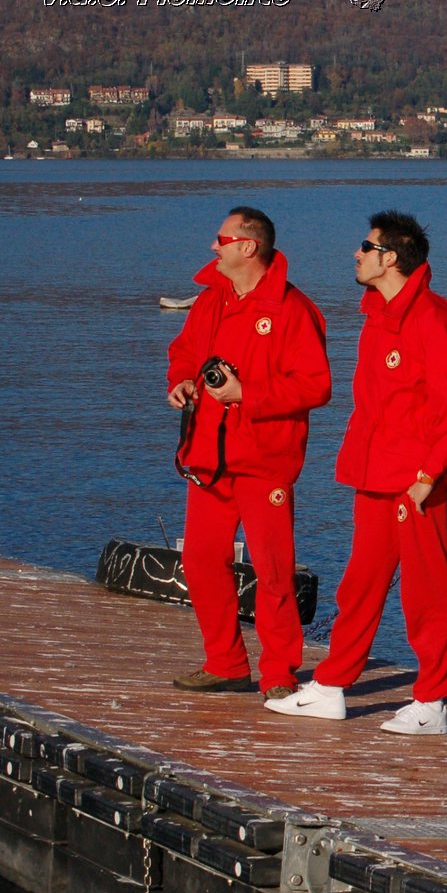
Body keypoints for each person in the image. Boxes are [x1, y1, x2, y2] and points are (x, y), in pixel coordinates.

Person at [268, 211, 447, 735]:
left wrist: (429, 474)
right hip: (375, 474)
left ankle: (432, 701)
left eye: (365, 247)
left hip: (414, 482)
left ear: (391, 257)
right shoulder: (378, 316)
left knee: (424, 591)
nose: (355, 254)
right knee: (359, 583)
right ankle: (332, 686)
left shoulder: (433, 318)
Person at [166, 206, 332, 698]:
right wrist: (181, 381)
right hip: (209, 461)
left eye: (220, 239)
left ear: (247, 246)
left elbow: (316, 385)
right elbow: (186, 352)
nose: (212, 247)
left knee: (274, 571)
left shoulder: (294, 309)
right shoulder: (209, 300)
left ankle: (279, 674)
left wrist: (247, 393)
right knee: (199, 561)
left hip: (264, 461)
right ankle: (226, 662)